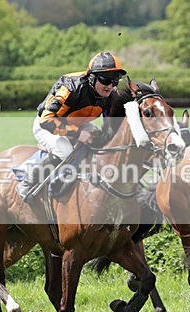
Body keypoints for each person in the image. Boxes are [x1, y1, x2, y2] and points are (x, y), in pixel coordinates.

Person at [16, 51, 126, 201]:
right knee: (65, 151)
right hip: (48, 124)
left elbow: (110, 127)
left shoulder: (111, 95)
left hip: (77, 125)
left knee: (100, 142)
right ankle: (28, 181)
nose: (110, 86)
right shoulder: (70, 87)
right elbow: (46, 120)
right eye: (106, 80)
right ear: (92, 77)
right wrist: (79, 134)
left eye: (115, 81)